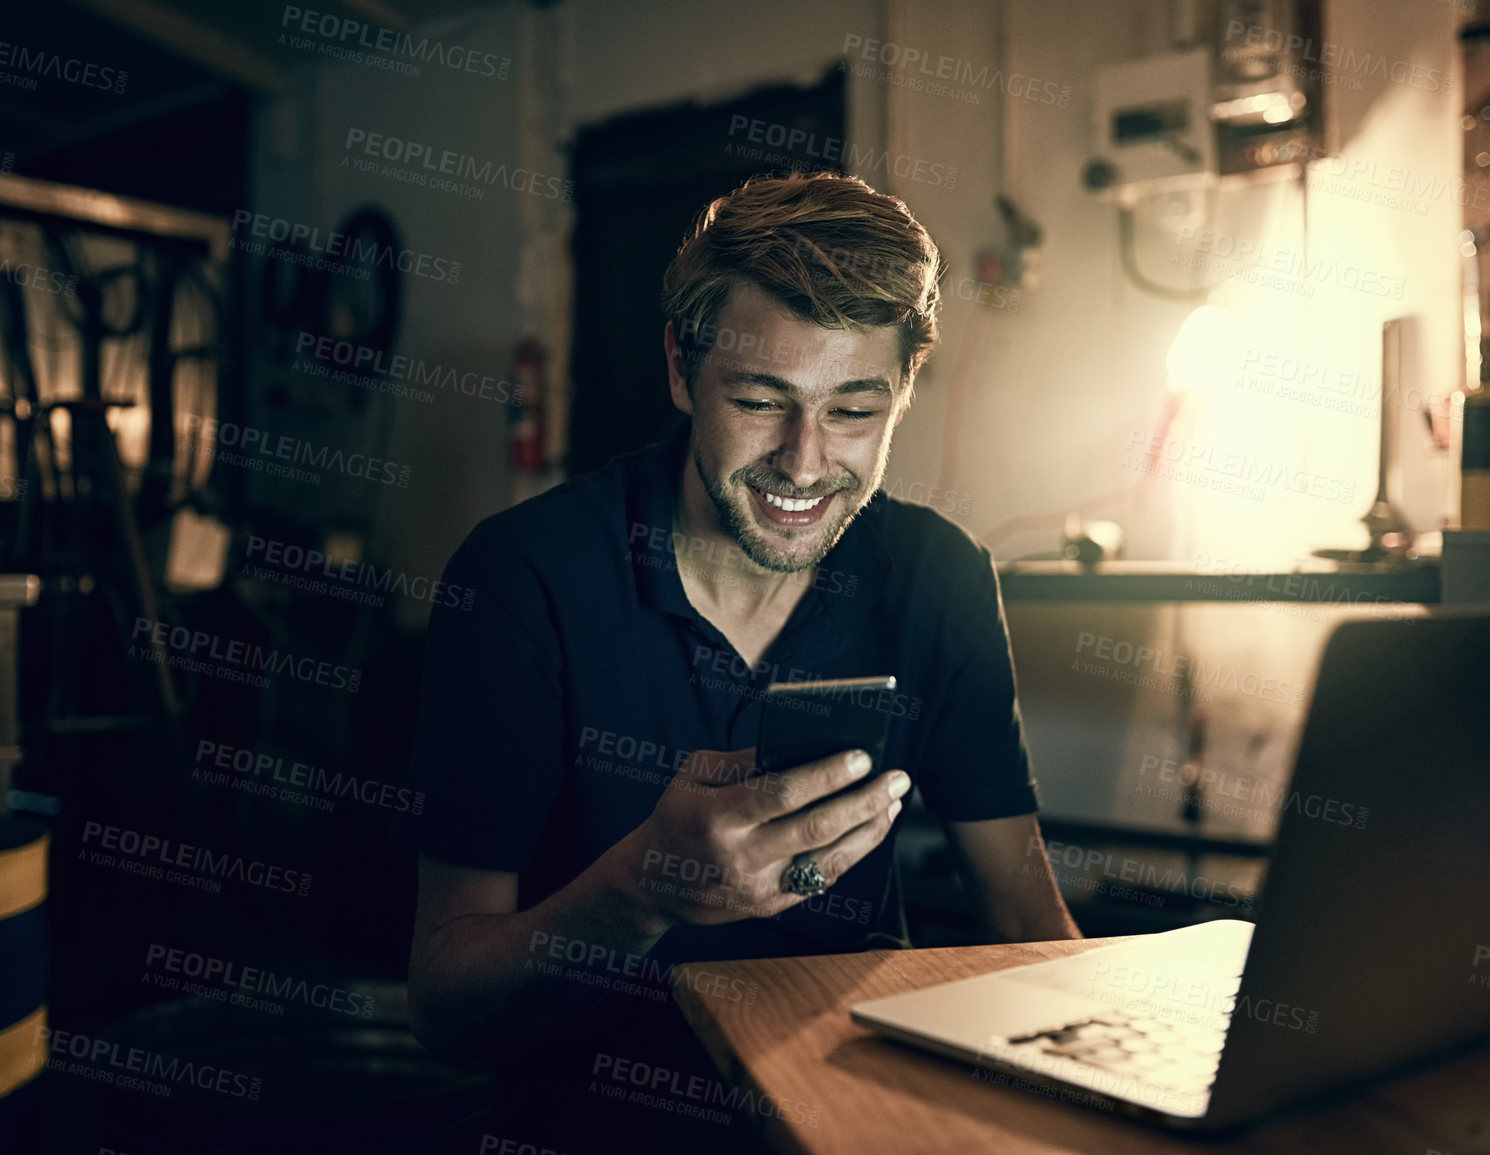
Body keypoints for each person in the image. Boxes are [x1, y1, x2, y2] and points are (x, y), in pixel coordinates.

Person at [392, 170, 1077, 1152]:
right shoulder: (522, 582)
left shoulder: (941, 576)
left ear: (903, 394)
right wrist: (641, 890)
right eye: (761, 400)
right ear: (682, 369)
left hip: (851, 1111)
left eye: (853, 412)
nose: (803, 465)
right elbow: (443, 1007)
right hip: (595, 1122)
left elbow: (1021, 909)